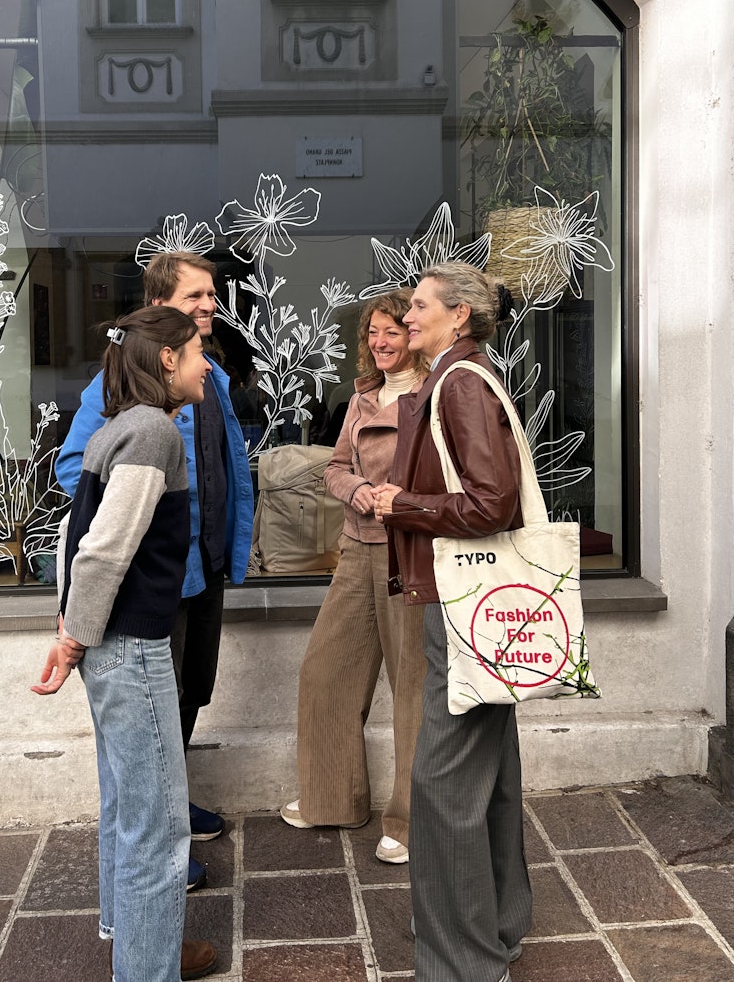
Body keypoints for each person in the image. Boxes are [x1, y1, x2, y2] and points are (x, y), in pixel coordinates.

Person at [55, 251, 255, 891]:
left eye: (212, 294)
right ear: (159, 306)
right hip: (162, 577)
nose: (210, 305)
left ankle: (173, 804)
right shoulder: (119, 384)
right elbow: (76, 468)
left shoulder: (208, 374)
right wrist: (137, 522)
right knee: (149, 712)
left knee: (190, 691)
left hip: (207, 566)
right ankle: (156, 841)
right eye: (196, 295)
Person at [32, 306, 217, 982]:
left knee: (126, 806)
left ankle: (140, 944)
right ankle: (146, 968)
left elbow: (72, 537)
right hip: (131, 649)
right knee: (158, 827)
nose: (206, 364)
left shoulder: (117, 427)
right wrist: (71, 640)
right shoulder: (153, 432)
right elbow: (102, 550)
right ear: (168, 359)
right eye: (196, 351)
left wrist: (71, 631)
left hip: (110, 647)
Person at [372, 262, 533, 982]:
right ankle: (495, 927)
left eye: (418, 305)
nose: (407, 316)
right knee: (488, 774)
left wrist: (400, 504)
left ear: (459, 314)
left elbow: (491, 502)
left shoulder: (459, 382)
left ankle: (463, 960)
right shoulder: (458, 377)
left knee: (441, 781)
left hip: (460, 604)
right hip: (477, 602)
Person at [279, 291, 428, 864]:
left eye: (392, 330)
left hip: (407, 553)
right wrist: (356, 489)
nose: (381, 342)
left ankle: (410, 823)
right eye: (372, 332)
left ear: (413, 334)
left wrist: (399, 499)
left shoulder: (432, 393)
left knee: (412, 686)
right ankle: (333, 799)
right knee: (325, 671)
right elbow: (335, 467)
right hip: (356, 547)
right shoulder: (362, 396)